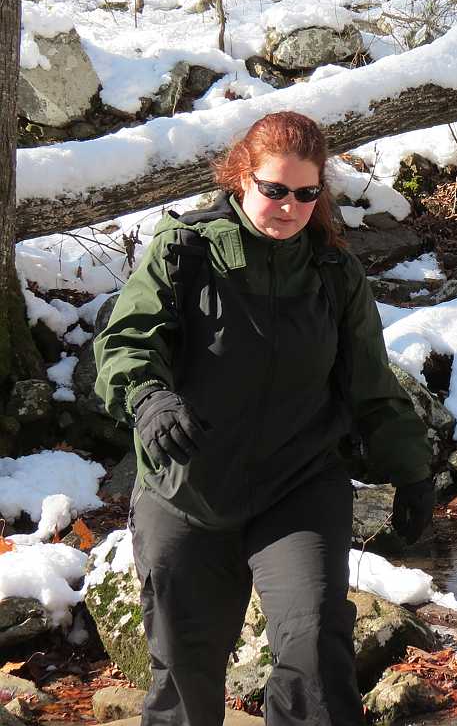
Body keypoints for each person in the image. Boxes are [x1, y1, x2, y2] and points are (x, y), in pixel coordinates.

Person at [93, 111, 434, 725]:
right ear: (241, 177)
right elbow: (128, 342)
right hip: (187, 490)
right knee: (184, 668)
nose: (290, 207)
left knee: (315, 648)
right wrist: (148, 398)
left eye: (306, 193)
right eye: (275, 189)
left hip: (297, 486)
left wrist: (413, 471)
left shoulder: (334, 273)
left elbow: (371, 386)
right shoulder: (185, 252)